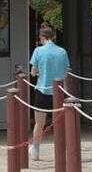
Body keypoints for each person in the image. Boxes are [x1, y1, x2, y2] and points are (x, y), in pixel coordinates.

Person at [28, 23, 69, 161]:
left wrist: (38, 71)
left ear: (41, 37)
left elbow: (33, 72)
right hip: (58, 92)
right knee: (59, 123)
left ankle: (36, 150)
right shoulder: (62, 51)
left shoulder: (38, 51)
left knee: (39, 123)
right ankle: (61, 151)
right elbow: (66, 73)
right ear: (54, 36)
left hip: (42, 90)